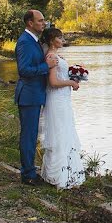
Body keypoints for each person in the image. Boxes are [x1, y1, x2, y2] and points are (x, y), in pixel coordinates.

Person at [14, 10, 57, 186]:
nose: (43, 23)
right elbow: (24, 70)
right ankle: (28, 175)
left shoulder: (34, 41)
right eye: (40, 21)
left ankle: (30, 170)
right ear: (30, 23)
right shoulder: (24, 42)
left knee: (32, 135)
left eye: (43, 20)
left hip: (35, 94)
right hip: (28, 95)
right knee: (29, 136)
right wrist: (45, 66)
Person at [39, 27, 85, 189]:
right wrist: (71, 83)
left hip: (63, 99)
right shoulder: (51, 56)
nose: (63, 39)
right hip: (57, 100)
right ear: (52, 40)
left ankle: (68, 172)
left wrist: (75, 76)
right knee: (59, 135)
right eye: (60, 37)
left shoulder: (56, 56)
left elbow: (61, 76)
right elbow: (53, 82)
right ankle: (58, 176)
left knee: (65, 132)